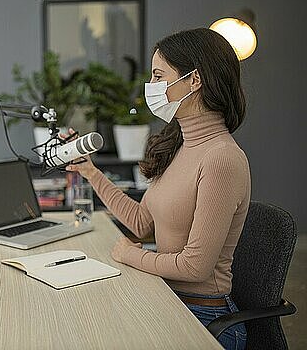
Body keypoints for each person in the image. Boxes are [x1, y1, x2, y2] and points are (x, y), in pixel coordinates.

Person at [66, 28, 249, 350]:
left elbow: (195, 267)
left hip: (202, 316)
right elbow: (141, 222)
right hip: (167, 295)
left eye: (158, 75)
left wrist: (131, 254)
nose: (151, 87)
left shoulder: (222, 158)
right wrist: (90, 171)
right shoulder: (183, 144)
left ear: (194, 80)